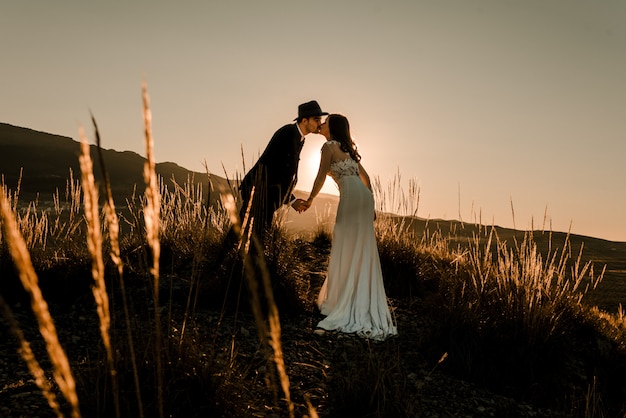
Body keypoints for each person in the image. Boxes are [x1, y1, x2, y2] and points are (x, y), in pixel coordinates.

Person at [302, 114, 397, 341]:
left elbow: (320, 177)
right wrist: (371, 203)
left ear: (332, 128)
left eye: (325, 123)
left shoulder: (328, 147)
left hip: (352, 198)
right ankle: (358, 297)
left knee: (345, 242)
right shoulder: (348, 150)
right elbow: (366, 178)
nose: (321, 124)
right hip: (364, 198)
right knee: (362, 248)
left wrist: (310, 199)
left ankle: (344, 300)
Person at [238, 100, 328, 240]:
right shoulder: (288, 134)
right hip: (260, 191)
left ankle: (230, 259)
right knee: (252, 236)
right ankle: (228, 260)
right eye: (316, 119)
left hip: (266, 193)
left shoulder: (298, 137)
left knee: (247, 234)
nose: (319, 124)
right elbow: (279, 171)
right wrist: (291, 200)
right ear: (304, 120)